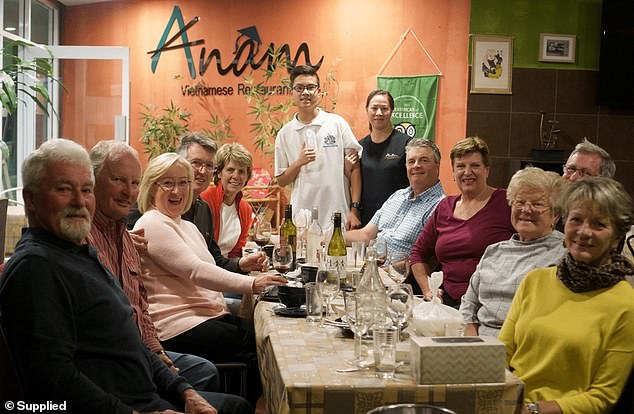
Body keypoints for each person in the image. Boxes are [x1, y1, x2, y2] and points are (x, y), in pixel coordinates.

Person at [0, 138, 246, 413]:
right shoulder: (36, 266)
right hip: (129, 404)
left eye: (85, 189)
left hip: (144, 389)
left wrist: (184, 390)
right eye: (63, 189)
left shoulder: (83, 253)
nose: (79, 201)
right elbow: (51, 381)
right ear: (30, 199)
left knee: (235, 403)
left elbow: (132, 336)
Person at [133, 152, 286, 406]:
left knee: (265, 336)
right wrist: (252, 283)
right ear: (151, 187)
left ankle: (238, 404)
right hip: (176, 325)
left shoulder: (186, 225)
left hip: (203, 315)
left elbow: (211, 268)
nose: (177, 190)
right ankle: (236, 405)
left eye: (183, 182)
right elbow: (196, 271)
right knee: (258, 348)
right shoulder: (151, 223)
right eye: (168, 183)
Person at [87, 140, 226, 394]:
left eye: (133, 182)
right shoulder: (138, 228)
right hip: (129, 355)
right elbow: (195, 271)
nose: (128, 191)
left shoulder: (127, 237)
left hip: (145, 346)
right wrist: (252, 283)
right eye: (118, 180)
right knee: (249, 345)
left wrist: (153, 349)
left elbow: (140, 304)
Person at [499, 177, 634, 414]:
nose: (583, 232)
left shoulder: (625, 304)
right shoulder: (535, 281)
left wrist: (533, 410)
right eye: (576, 220)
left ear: (616, 237)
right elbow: (501, 354)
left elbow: (603, 397)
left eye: (598, 224)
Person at [129, 132, 266, 274]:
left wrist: (240, 265)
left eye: (208, 165)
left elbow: (213, 261)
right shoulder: (149, 205)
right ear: (179, 163)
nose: (202, 171)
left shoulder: (203, 209)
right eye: (196, 163)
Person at [460, 167, 566, 337]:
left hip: (526, 348)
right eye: (520, 202)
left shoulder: (564, 254)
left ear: (555, 215)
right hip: (480, 347)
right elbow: (469, 304)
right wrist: (473, 344)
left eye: (537, 204)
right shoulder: (494, 251)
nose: (526, 209)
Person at [410, 136, 514, 305]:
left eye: (475, 166)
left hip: (489, 303)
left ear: (487, 170)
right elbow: (418, 254)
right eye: (460, 166)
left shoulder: (507, 202)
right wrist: (428, 290)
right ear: (453, 172)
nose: (467, 172)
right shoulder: (444, 207)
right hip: (447, 302)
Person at [274, 64, 363, 229]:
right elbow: (281, 180)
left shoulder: (337, 123)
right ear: (292, 93)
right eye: (299, 88)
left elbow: (355, 168)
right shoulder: (285, 133)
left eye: (310, 87)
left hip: (337, 214)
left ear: (319, 91)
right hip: (302, 217)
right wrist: (298, 162)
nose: (305, 92)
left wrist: (355, 209)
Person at [345, 138, 444, 258]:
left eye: (424, 160)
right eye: (411, 161)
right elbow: (366, 235)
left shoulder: (441, 207)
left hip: (398, 275)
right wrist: (329, 237)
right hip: (373, 267)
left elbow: (427, 260)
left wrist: (386, 271)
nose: (416, 165)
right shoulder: (397, 196)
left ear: (437, 167)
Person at [358, 90, 411, 225]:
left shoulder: (406, 144)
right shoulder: (359, 147)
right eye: (374, 108)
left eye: (384, 108)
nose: (379, 113)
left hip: (397, 221)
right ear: (367, 110)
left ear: (392, 110)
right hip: (366, 221)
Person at [200, 143, 254, 258]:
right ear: (219, 173)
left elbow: (236, 253)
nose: (236, 176)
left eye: (241, 171)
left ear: (247, 176)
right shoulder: (204, 199)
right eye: (230, 170)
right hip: (205, 265)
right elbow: (201, 248)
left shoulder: (246, 209)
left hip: (227, 268)